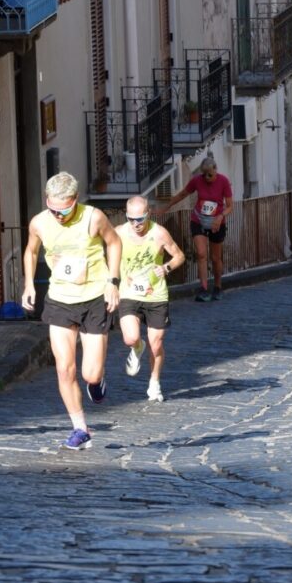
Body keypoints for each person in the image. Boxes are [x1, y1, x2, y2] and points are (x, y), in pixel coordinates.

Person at [21, 172, 122, 451]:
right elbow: (31, 251)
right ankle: (80, 428)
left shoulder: (93, 217)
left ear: (75, 201)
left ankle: (97, 380)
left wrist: (113, 282)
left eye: (64, 210)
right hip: (60, 300)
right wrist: (29, 284)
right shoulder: (40, 222)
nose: (59, 216)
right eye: (53, 209)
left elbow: (114, 243)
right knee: (65, 370)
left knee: (89, 374)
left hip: (93, 299)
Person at [115, 196, 185, 402]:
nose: (135, 224)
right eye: (131, 219)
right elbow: (104, 253)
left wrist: (166, 267)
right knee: (130, 338)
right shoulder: (118, 233)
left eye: (140, 219)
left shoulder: (159, 233)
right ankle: (137, 348)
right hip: (129, 292)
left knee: (156, 344)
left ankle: (154, 383)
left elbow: (179, 256)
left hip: (155, 294)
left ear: (149, 214)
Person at [159, 155, 233, 302]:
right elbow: (183, 194)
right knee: (201, 254)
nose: (207, 177)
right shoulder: (197, 181)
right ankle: (203, 288)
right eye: (204, 174)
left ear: (216, 170)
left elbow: (230, 206)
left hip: (216, 223)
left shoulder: (223, 181)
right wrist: (166, 207)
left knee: (215, 258)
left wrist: (220, 217)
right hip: (198, 220)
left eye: (210, 175)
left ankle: (217, 286)